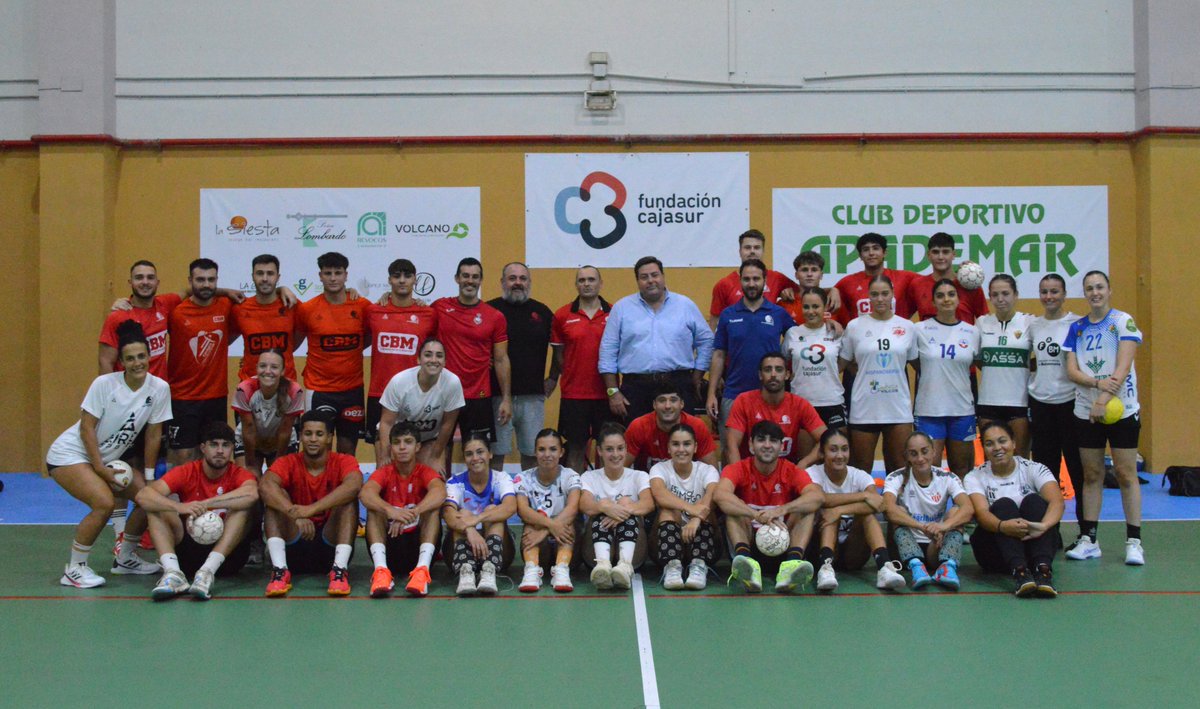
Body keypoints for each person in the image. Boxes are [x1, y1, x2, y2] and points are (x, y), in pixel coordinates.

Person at [47, 321, 171, 587]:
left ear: (149, 356)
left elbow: (153, 433)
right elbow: (87, 428)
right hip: (69, 455)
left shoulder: (160, 388)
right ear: (121, 363)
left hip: (104, 460)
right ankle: (75, 569)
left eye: (141, 356)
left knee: (148, 498)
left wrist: (150, 477)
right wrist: (99, 468)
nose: (137, 363)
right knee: (103, 503)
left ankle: (125, 558)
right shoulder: (104, 384)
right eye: (130, 358)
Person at [1063, 270, 1145, 565]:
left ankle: (1134, 542)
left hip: (1122, 409)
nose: (1095, 292)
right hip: (1087, 411)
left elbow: (1122, 367)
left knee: (1125, 473)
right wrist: (1097, 386)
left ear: (1109, 290)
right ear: (1085, 293)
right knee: (1092, 474)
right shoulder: (1077, 328)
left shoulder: (1122, 321)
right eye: (1089, 288)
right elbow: (1072, 371)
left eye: (1099, 287)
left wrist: (1104, 399)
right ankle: (1089, 540)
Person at [136, 422, 259, 600]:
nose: (220, 451)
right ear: (203, 448)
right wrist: (179, 507)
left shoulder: (238, 473)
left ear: (232, 449)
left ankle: (207, 572)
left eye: (225, 445)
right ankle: (173, 574)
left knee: (243, 509)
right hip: (188, 554)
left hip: (227, 558)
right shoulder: (188, 471)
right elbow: (144, 496)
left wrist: (206, 503)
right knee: (157, 509)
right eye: (213, 445)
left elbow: (252, 494)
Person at [258, 411, 363, 597]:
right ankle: (280, 570)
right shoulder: (288, 462)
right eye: (308, 434)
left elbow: (354, 485)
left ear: (329, 437)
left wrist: (311, 510)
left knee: (348, 500)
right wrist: (294, 514)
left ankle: (339, 571)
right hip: (295, 544)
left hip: (329, 545)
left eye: (319, 434)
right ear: (300, 436)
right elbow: (265, 486)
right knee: (275, 498)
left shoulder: (343, 461)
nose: (313, 439)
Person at [715, 421, 824, 594]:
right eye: (761, 440)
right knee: (733, 508)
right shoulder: (737, 468)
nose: (767, 445)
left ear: (781, 446)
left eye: (773, 440)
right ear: (751, 445)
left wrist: (782, 510)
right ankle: (748, 568)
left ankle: (791, 566)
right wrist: (755, 514)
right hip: (749, 544)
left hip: (785, 546)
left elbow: (817, 497)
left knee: (807, 510)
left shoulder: (791, 471)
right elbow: (720, 495)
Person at [599, 256, 713, 420]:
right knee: (637, 435)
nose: (650, 280)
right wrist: (612, 391)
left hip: (679, 385)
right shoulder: (621, 308)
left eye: (655, 275)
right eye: (644, 277)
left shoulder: (685, 305)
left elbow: (706, 341)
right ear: (637, 281)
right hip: (636, 389)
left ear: (663, 276)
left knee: (680, 435)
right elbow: (608, 351)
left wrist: (697, 376)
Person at [965, 422, 1063, 597]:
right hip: (996, 553)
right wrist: (1003, 526)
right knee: (1003, 505)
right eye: (989, 443)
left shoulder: (1034, 468)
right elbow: (981, 513)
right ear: (984, 449)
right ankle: (1020, 572)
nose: (997, 448)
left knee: (1034, 501)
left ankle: (1043, 571)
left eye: (1002, 441)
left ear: (1014, 443)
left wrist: (1043, 526)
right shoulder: (974, 477)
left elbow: (1057, 502)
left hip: (1032, 544)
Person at [806, 429, 906, 592]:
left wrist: (839, 510)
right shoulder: (813, 473)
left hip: (854, 554)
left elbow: (879, 504)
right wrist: (863, 496)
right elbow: (820, 498)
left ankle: (885, 567)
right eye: (833, 450)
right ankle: (825, 568)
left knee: (866, 514)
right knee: (829, 515)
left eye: (844, 449)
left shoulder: (860, 476)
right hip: (819, 549)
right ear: (822, 453)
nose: (840, 455)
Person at [839, 275, 919, 475]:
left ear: (892, 295)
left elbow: (917, 364)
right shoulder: (855, 326)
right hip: (864, 407)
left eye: (885, 294)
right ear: (868, 297)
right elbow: (842, 364)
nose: (880, 299)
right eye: (875, 294)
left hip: (897, 407)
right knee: (860, 469)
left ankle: (897, 498)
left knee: (899, 469)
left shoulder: (908, 326)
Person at [706, 259, 793, 435]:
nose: (751, 284)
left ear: (765, 281)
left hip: (770, 395)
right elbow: (719, 354)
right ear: (740, 281)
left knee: (768, 447)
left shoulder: (779, 313)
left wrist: (829, 323)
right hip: (734, 394)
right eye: (746, 279)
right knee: (730, 448)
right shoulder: (728, 314)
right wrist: (711, 394)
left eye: (756, 279)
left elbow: (802, 338)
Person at [360, 422, 447, 598]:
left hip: (416, 544)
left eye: (408, 442)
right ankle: (381, 571)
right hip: (391, 545)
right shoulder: (385, 472)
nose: (402, 447)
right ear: (391, 447)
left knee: (432, 511)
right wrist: (390, 511)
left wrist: (413, 513)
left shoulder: (424, 472)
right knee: (374, 510)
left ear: (417, 447)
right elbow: (366, 493)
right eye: (397, 442)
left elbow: (440, 492)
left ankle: (422, 572)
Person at [166, 258, 239, 465]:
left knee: (213, 456)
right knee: (182, 456)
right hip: (182, 396)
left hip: (215, 396)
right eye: (200, 280)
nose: (206, 284)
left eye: (211, 280)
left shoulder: (226, 306)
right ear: (190, 281)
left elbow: (231, 335)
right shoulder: (175, 311)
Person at [295, 251, 369, 455]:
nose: (333, 278)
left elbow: (371, 335)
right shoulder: (308, 309)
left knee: (347, 451)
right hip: (319, 390)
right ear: (320, 276)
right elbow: (293, 343)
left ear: (346, 275)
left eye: (338, 273)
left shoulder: (362, 306)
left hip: (352, 390)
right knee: (317, 450)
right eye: (328, 273)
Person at [434, 258, 512, 450]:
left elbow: (501, 359)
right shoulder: (439, 307)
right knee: (438, 450)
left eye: (475, 277)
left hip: (479, 395)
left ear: (481, 280)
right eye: (465, 276)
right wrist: (388, 296)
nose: (470, 281)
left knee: (478, 452)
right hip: (443, 393)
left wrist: (506, 398)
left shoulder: (494, 316)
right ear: (457, 278)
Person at [1027, 273, 1084, 527]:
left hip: (1070, 404)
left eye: (1054, 291)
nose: (1049, 296)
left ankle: (1086, 531)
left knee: (1077, 469)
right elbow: (1030, 361)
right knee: (1045, 473)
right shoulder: (1033, 326)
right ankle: (1050, 531)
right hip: (1040, 406)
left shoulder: (1076, 324)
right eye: (1044, 292)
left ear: (1064, 295)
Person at [883, 431, 973, 590]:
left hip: (935, 543)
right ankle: (916, 566)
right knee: (897, 510)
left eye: (924, 451)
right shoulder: (895, 477)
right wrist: (921, 527)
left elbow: (968, 508)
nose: (920, 458)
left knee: (955, 512)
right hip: (905, 544)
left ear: (934, 452)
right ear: (907, 456)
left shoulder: (947, 478)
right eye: (913, 454)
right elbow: (888, 509)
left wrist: (943, 526)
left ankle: (947, 567)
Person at [364, 258, 437, 452]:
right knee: (383, 457)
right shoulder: (373, 311)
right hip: (379, 393)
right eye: (397, 276)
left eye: (407, 276)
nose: (402, 280)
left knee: (413, 454)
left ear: (415, 280)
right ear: (389, 280)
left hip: (415, 395)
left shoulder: (428, 314)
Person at [487, 262, 554, 471]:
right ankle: (496, 492)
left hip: (532, 397)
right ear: (502, 282)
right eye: (512, 278)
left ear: (529, 282)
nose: (518, 283)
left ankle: (529, 491)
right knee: (495, 455)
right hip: (496, 397)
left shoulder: (542, 312)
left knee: (533, 455)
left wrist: (553, 377)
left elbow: (561, 348)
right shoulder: (489, 310)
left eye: (523, 278)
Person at [913, 279, 981, 478]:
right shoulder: (919, 330)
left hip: (962, 409)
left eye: (951, 294)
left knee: (962, 469)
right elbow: (914, 361)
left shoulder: (972, 332)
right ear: (933, 302)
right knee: (928, 470)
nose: (946, 299)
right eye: (940, 295)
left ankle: (963, 501)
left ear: (959, 300)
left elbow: (977, 363)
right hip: (929, 409)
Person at [550, 265, 613, 471]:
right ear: (576, 284)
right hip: (574, 395)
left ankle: (606, 489)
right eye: (582, 280)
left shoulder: (614, 313)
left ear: (600, 283)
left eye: (591, 279)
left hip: (607, 394)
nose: (587, 284)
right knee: (575, 448)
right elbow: (559, 356)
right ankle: (574, 489)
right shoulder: (562, 315)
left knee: (608, 448)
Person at [578, 424, 654, 591]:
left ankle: (625, 566)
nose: (615, 454)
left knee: (629, 511)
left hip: (634, 551)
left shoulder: (639, 476)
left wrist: (622, 510)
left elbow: (648, 503)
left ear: (626, 449)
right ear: (599, 451)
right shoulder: (589, 477)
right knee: (600, 510)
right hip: (594, 553)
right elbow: (584, 504)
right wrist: (604, 507)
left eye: (620, 448)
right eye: (609, 449)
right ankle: (602, 564)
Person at [442, 434, 518, 596]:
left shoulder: (501, 478)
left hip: (498, 553)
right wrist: (469, 529)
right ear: (464, 458)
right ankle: (466, 572)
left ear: (490, 454)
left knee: (492, 510)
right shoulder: (455, 482)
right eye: (469, 454)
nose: (475, 458)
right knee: (462, 513)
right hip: (460, 550)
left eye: (480, 452)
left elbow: (510, 506)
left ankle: (489, 570)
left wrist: (477, 519)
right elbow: (448, 513)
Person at [375, 338, 464, 475]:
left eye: (439, 356)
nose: (433, 360)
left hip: (429, 440)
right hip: (397, 437)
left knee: (435, 477)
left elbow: (448, 425)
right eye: (428, 355)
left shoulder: (453, 383)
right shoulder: (399, 382)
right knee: (388, 477)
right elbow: (386, 423)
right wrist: (385, 455)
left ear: (445, 362)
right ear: (418, 360)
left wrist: (435, 457)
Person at [648, 424, 720, 591]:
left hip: (703, 539)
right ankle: (672, 566)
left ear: (695, 447)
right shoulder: (659, 469)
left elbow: (712, 497)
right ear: (668, 448)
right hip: (667, 542)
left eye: (686, 444)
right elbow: (659, 494)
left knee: (707, 511)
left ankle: (699, 565)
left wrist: (696, 518)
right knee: (667, 510)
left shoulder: (707, 470)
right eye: (676, 444)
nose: (681, 449)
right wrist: (692, 509)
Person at [725, 353, 827, 467]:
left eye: (779, 370)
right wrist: (739, 474)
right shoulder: (743, 401)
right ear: (760, 375)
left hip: (787, 472)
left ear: (787, 375)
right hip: (751, 472)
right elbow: (731, 446)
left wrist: (803, 463)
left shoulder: (800, 404)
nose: (773, 374)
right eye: (768, 370)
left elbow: (827, 439)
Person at [514, 429, 581, 593]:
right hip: (536, 543)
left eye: (553, 449)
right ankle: (531, 570)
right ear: (535, 452)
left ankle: (562, 570)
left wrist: (546, 530)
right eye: (541, 449)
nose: (547, 454)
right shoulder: (523, 478)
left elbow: (572, 509)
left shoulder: (571, 476)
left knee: (568, 524)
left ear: (561, 452)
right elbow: (523, 510)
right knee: (531, 524)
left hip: (565, 541)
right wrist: (550, 526)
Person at [975, 274, 1034, 456]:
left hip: (1019, 402)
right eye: (995, 294)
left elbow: (1042, 358)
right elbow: (976, 358)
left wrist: (1024, 369)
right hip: (988, 402)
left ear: (1016, 295)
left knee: (1020, 459)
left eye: (1005, 293)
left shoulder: (1029, 322)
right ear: (990, 297)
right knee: (992, 460)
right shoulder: (981, 323)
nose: (1000, 299)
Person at [98, 260, 180, 379]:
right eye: (139, 278)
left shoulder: (165, 304)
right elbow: (105, 362)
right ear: (130, 282)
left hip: (158, 388)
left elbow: (191, 291)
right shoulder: (117, 317)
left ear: (157, 282)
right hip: (128, 388)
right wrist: (109, 390)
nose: (145, 282)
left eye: (150, 277)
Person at [782, 287, 846, 430]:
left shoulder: (836, 332)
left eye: (816, 306)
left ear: (825, 307)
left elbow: (845, 362)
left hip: (832, 401)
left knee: (837, 445)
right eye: (806, 307)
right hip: (802, 402)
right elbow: (783, 362)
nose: (811, 311)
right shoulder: (792, 333)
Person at [232, 349, 303, 474]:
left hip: (279, 442)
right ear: (256, 368)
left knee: (277, 478)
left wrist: (277, 467)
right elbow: (248, 429)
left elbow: (285, 430)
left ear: (283, 371)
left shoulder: (294, 390)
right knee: (249, 479)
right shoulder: (244, 389)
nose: (267, 371)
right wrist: (251, 466)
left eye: (274, 367)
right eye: (263, 366)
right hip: (250, 441)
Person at [708, 229, 799, 327]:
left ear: (763, 251)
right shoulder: (724, 284)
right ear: (740, 251)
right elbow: (714, 323)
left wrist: (788, 290)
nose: (752, 251)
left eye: (757, 247)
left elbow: (803, 293)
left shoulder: (777, 278)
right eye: (747, 247)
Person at [231, 254, 298, 382]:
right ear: (252, 276)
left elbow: (294, 342)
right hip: (250, 384)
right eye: (260, 273)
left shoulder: (292, 305)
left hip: (285, 383)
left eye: (270, 274)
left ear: (278, 277)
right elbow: (226, 341)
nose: (265, 278)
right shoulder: (239, 309)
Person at [623, 382, 718, 470]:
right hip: (647, 481)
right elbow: (621, 469)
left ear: (681, 404)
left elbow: (712, 472)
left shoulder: (697, 426)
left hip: (687, 481)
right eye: (662, 400)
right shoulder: (639, 426)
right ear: (654, 405)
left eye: (673, 400)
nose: (667, 406)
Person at [833, 232, 919, 326]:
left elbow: (928, 283)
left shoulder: (905, 278)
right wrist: (833, 290)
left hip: (897, 333)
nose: (871, 253)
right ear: (860, 255)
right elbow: (823, 300)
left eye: (876, 248)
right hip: (861, 334)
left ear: (884, 252)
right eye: (866, 249)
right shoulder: (847, 283)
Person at [910, 232, 989, 323]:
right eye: (935, 252)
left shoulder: (970, 284)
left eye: (945, 252)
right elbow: (903, 318)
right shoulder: (917, 285)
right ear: (929, 255)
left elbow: (985, 323)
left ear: (953, 254)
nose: (940, 257)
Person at [780, 251, 842, 325]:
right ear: (796, 275)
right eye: (804, 270)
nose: (809, 274)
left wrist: (834, 289)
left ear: (821, 275)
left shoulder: (834, 301)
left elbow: (847, 328)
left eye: (814, 270)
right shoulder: (783, 304)